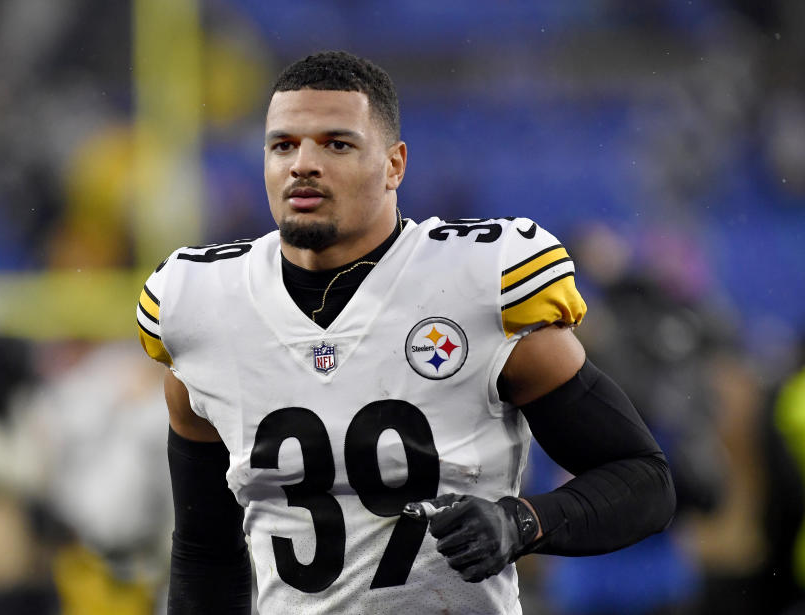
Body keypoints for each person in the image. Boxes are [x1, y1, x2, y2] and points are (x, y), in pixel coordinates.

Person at [136, 50, 676, 614]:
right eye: (283, 145)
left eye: (337, 143)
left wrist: (522, 523)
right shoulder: (203, 309)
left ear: (394, 165)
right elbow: (205, 551)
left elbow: (643, 480)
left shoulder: (474, 286)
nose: (302, 164)